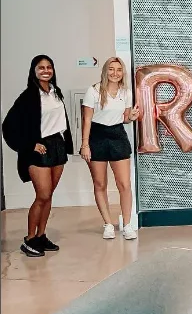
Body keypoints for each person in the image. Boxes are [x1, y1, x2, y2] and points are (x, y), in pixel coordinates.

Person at [1, 55, 73, 257]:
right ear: (34, 70)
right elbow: (8, 126)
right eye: (41, 67)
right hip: (40, 148)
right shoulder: (28, 96)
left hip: (57, 146)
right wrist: (29, 145)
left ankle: (41, 235)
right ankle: (29, 239)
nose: (45, 70)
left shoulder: (55, 92)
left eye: (49, 67)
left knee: (48, 196)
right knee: (42, 195)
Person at [80, 57, 140, 240]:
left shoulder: (126, 92)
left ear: (123, 73)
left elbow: (125, 118)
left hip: (117, 136)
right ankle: (107, 224)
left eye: (119, 70)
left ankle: (128, 225)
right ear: (106, 71)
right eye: (111, 69)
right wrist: (85, 144)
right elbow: (87, 119)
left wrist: (132, 117)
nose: (115, 73)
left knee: (124, 184)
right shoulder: (94, 90)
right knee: (100, 184)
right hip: (96, 137)